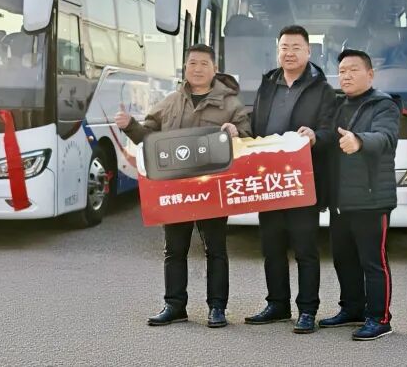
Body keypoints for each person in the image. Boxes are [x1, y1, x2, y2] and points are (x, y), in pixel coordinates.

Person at [114, 44, 251, 329]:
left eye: (204, 64)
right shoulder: (170, 102)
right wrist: (129, 125)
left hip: (212, 188)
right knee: (174, 250)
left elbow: (248, 138)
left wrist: (236, 132)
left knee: (215, 249)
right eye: (192, 63)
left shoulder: (230, 104)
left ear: (215, 69)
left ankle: (217, 308)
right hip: (175, 189)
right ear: (185, 68)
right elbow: (149, 139)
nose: (197, 69)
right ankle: (174, 306)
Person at [244, 25, 337, 334]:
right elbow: (255, 126)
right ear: (277, 51)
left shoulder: (322, 89)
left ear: (309, 51)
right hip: (268, 178)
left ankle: (307, 310)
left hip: (301, 180)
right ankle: (277, 304)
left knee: (305, 248)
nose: (289, 53)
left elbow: (330, 131)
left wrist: (315, 135)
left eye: (296, 47)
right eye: (284, 47)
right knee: (271, 246)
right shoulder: (267, 84)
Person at [319, 49, 400, 341]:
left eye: (353, 70)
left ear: (370, 74)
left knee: (373, 262)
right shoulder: (339, 105)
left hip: (371, 198)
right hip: (341, 200)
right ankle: (352, 308)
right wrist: (312, 136)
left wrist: (359, 141)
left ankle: (380, 318)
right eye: (342, 71)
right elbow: (328, 136)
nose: (346, 76)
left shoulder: (384, 105)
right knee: (344, 259)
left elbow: (386, 137)